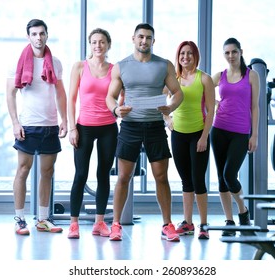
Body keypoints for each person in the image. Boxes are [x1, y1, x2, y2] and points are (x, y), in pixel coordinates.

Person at [105, 23, 184, 242]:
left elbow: (177, 93)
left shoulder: (164, 65)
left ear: (153, 41)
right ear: (133, 38)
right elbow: (110, 96)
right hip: (130, 126)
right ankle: (116, 224)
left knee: (161, 177)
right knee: (123, 177)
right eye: (140, 37)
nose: (144, 41)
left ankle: (167, 225)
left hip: (155, 126)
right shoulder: (121, 66)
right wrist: (116, 109)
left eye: (148, 38)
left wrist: (170, 107)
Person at [6, 19, 68, 235]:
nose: (38, 38)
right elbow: (10, 94)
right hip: (28, 125)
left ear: (47, 35)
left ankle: (42, 219)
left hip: (50, 125)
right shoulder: (18, 62)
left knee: (47, 172)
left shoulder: (56, 62)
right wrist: (15, 122)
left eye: (42, 33)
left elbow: (60, 93)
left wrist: (65, 120)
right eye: (34, 34)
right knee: (23, 170)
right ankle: (19, 219)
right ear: (28, 37)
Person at [67, 28, 118, 239]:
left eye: (102, 42)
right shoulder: (79, 67)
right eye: (94, 42)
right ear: (90, 45)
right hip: (84, 127)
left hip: (108, 126)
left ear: (108, 45)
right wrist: (72, 128)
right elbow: (70, 99)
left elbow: (119, 97)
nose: (98, 45)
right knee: (80, 175)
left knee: (103, 175)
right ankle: (74, 223)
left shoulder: (115, 70)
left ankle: (99, 223)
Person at [164, 41, 215, 239]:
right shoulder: (173, 79)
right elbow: (162, 102)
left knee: (198, 180)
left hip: (198, 134)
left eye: (189, 54)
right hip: (178, 135)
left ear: (195, 56)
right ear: (178, 57)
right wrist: (167, 119)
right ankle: (188, 223)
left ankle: (204, 224)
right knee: (186, 181)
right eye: (182, 54)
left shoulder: (205, 79)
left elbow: (211, 110)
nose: (185, 57)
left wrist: (204, 136)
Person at [210, 37, 260, 236]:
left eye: (234, 52)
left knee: (230, 175)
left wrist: (254, 135)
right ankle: (229, 222)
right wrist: (214, 103)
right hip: (219, 130)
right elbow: (200, 89)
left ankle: (243, 212)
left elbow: (254, 107)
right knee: (221, 179)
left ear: (240, 52)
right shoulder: (219, 75)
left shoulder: (251, 75)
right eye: (227, 53)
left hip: (240, 132)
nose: (231, 56)